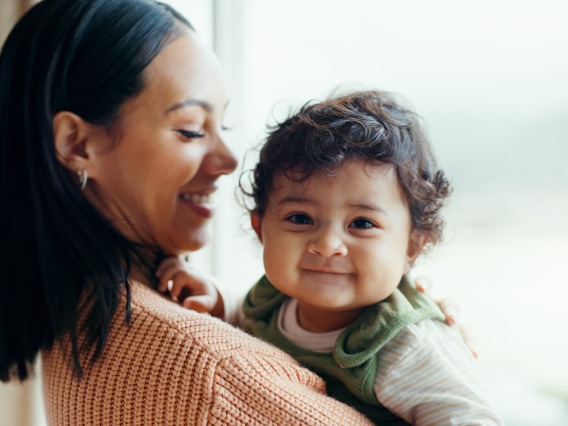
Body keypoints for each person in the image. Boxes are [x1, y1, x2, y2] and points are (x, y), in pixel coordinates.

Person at [0, 0, 377, 424]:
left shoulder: (80, 321)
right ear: (76, 144)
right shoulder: (211, 373)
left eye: (224, 127)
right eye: (191, 130)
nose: (229, 159)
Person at [157, 91, 502, 425]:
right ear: (261, 228)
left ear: (412, 246)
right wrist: (217, 297)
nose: (327, 245)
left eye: (362, 223)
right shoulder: (273, 300)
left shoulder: (404, 344)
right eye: (300, 218)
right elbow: (248, 316)